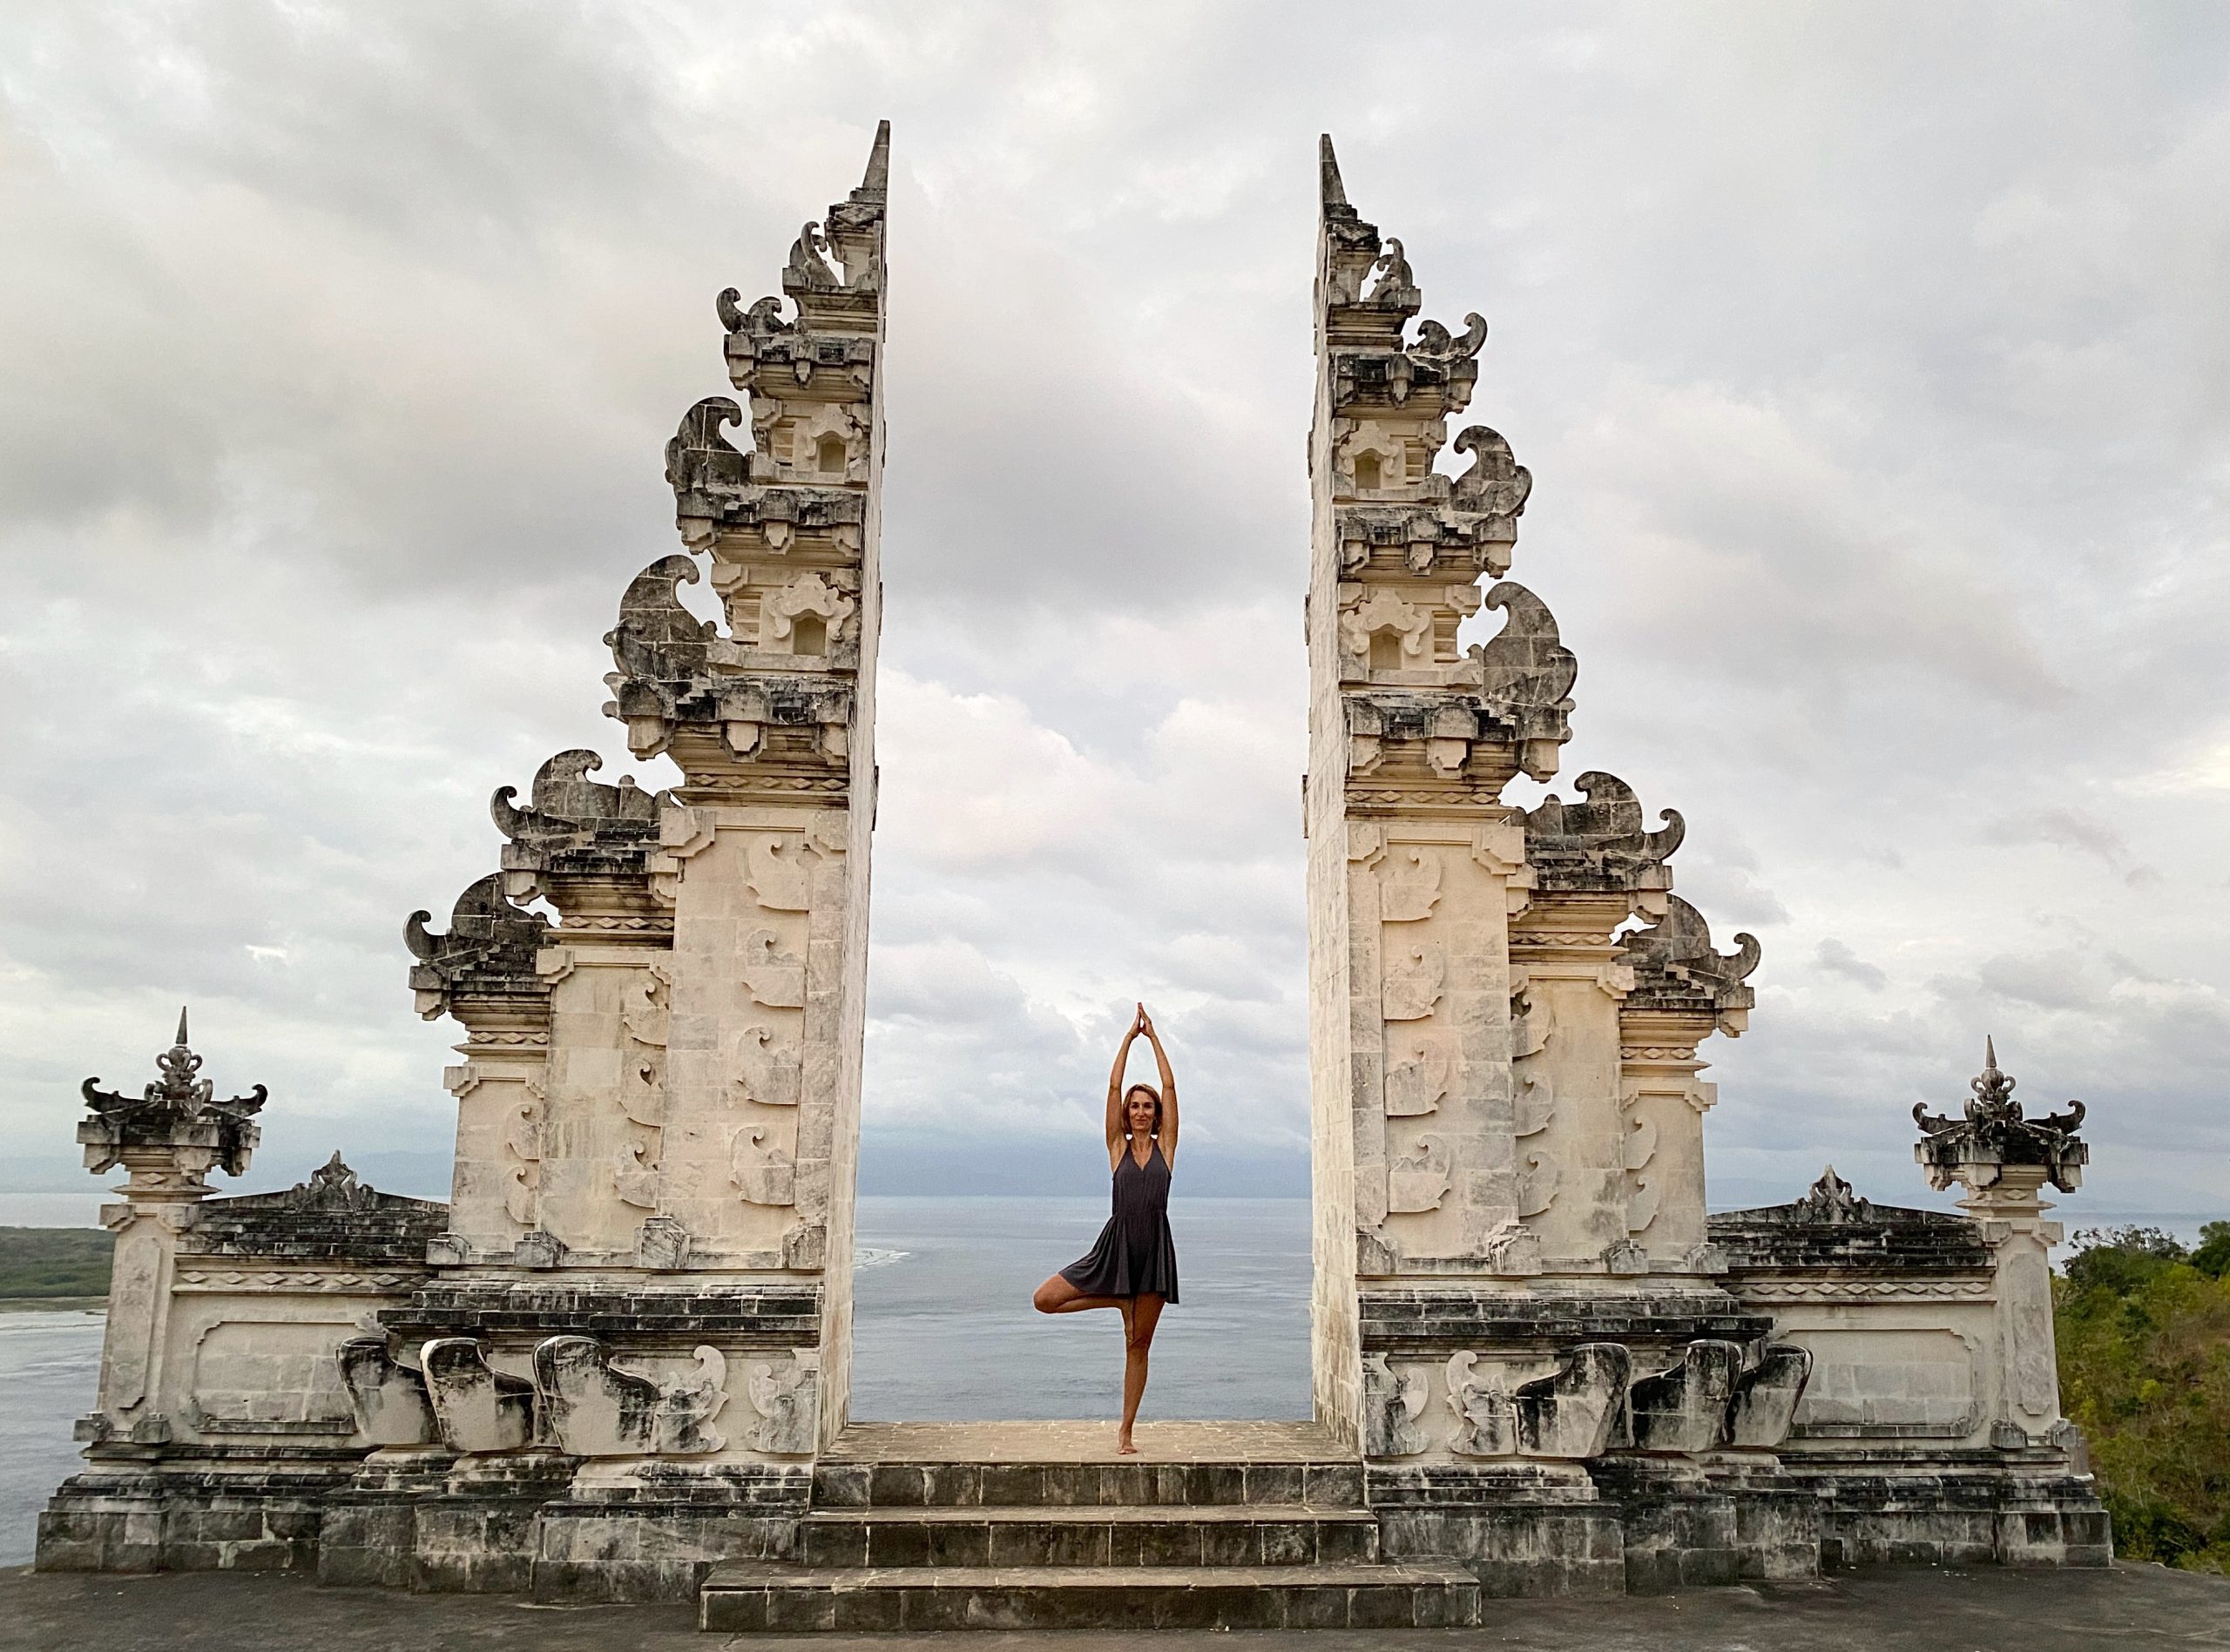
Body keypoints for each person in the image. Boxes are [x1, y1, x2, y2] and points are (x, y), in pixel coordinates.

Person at [1031, 1002, 1180, 1453]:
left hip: (1153, 1250)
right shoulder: (1117, 1147)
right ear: (1126, 1114)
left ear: (1157, 1115)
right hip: (1116, 1246)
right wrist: (1128, 1039)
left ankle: (1126, 1432)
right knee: (1045, 1299)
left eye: (1147, 1107)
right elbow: (1113, 1086)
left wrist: (1155, 1039)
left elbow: (1170, 1086)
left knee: (1138, 1343)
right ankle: (1115, 1297)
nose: (1140, 1111)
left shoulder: (1166, 1147)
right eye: (1134, 1106)